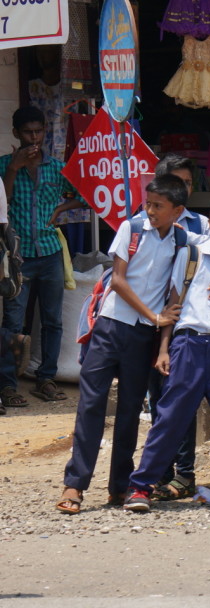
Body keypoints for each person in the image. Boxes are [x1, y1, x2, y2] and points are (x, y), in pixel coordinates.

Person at [56, 175, 210, 514]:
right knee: (91, 407)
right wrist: (155, 316)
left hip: (142, 337)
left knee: (129, 412)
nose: (151, 211)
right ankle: (75, 484)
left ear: (178, 211)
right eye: (148, 203)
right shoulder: (132, 229)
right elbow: (118, 280)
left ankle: (119, 486)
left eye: (159, 206)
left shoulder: (182, 240)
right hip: (111, 327)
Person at [124, 195, 210, 512]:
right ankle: (140, 487)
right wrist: (163, 348)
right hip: (187, 343)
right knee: (170, 418)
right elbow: (173, 304)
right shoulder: (191, 254)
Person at [0, 106, 86, 409]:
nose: (34, 138)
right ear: (16, 134)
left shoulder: (56, 168)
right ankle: (8, 386)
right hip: (17, 257)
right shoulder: (3, 166)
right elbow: (3, 202)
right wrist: (13, 168)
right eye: (28, 132)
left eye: (38, 132)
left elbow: (84, 195)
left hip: (50, 253)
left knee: (52, 320)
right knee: (12, 322)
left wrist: (62, 209)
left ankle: (45, 379)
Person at [144, 153, 210, 501]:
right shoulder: (146, 221)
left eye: (188, 183)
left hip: (186, 325)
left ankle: (184, 474)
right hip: (150, 321)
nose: (183, 189)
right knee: (158, 401)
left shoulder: (201, 225)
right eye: (177, 183)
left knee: (181, 400)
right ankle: (160, 473)